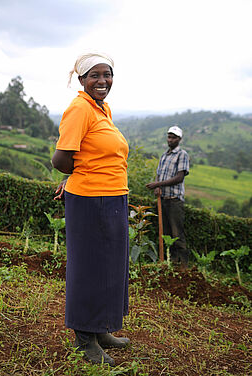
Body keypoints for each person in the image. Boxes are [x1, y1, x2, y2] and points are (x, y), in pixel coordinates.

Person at [51, 52, 130, 366]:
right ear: (81, 80)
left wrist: (80, 171)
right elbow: (61, 159)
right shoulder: (79, 109)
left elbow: (91, 154)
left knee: (110, 268)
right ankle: (85, 340)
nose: (102, 81)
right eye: (94, 75)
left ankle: (101, 329)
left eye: (107, 74)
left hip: (112, 197)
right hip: (90, 201)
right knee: (88, 270)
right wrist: (76, 178)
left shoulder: (102, 109)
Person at [146, 125, 190, 267]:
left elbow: (179, 177)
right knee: (166, 233)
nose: (170, 140)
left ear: (179, 139)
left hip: (174, 200)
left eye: (173, 137)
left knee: (177, 233)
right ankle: (171, 261)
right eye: (169, 137)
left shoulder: (182, 154)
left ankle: (183, 266)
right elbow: (159, 174)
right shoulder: (164, 156)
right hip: (163, 200)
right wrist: (157, 187)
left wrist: (158, 184)